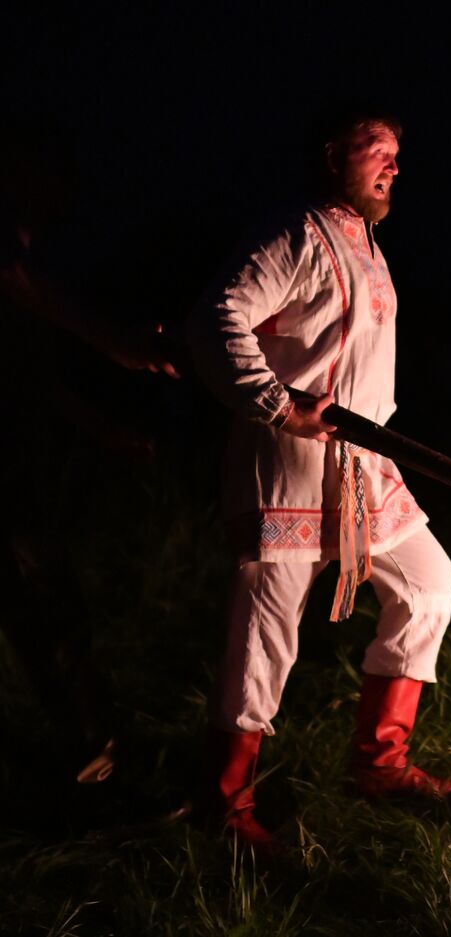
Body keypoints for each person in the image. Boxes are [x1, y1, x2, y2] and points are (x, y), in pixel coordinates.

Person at [187, 113, 451, 852]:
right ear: (334, 153)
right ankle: (225, 807)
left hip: (364, 465)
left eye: (400, 156)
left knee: (430, 581)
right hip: (289, 461)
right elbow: (218, 316)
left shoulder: (367, 244)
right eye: (381, 151)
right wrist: (279, 403)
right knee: (266, 631)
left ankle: (379, 763)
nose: (395, 167)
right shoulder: (298, 233)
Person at [1, 126, 179, 789]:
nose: (62, 193)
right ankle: (96, 760)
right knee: (44, 597)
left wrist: (100, 426)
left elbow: (29, 378)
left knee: (44, 602)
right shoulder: (15, 269)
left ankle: (91, 750)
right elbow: (25, 291)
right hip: (10, 472)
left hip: (21, 460)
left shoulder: (25, 266)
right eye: (46, 173)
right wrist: (114, 341)